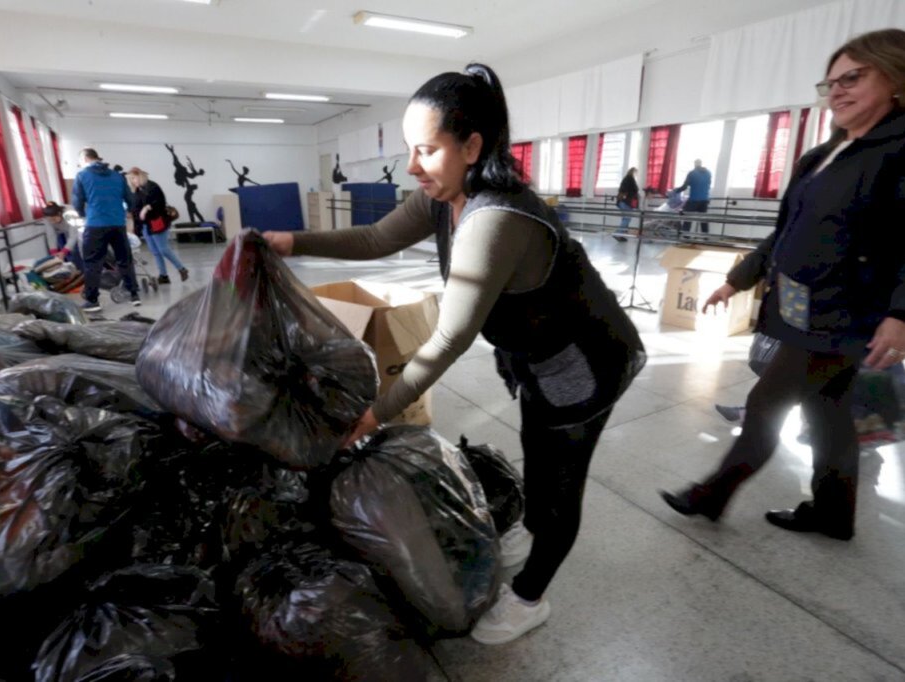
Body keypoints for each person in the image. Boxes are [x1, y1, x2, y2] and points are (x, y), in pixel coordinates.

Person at [262, 63, 646, 645]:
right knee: (536, 448)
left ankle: (530, 596)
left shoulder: (496, 220)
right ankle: (532, 523)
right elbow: (375, 239)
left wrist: (377, 412)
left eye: (426, 151)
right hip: (531, 353)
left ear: (472, 146)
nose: (413, 167)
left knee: (562, 475)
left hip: (581, 361)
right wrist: (292, 242)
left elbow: (448, 338)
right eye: (408, 152)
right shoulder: (447, 195)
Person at [660, 29, 905, 541]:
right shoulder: (823, 155)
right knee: (830, 415)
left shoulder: (904, 149)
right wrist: (739, 278)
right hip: (801, 304)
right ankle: (834, 514)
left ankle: (712, 494)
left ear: (896, 77)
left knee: (765, 405)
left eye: (853, 78)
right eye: (831, 82)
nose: (837, 90)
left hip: (846, 315)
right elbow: (787, 230)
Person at [71, 147, 141, 312]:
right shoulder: (117, 176)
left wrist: (83, 214)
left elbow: (77, 201)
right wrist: (125, 211)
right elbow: (130, 199)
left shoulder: (82, 176)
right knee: (125, 260)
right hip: (118, 224)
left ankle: (93, 301)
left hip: (95, 224)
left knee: (93, 263)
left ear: (84, 159)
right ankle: (134, 295)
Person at [126, 167, 189, 284]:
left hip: (157, 222)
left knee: (163, 249)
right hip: (146, 225)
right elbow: (136, 209)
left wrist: (147, 208)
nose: (133, 181)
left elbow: (159, 204)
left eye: (134, 178)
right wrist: (133, 218)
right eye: (131, 179)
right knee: (155, 251)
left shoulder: (153, 187)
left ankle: (182, 269)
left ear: (140, 175)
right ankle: (163, 276)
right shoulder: (138, 190)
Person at [41, 200, 84, 272]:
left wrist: (64, 251)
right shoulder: (47, 218)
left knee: (78, 251)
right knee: (63, 253)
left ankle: (83, 272)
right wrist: (53, 253)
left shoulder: (70, 214)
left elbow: (73, 235)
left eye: (54, 219)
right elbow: (51, 235)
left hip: (78, 230)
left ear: (59, 213)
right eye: (50, 220)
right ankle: (73, 271)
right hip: (62, 231)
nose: (52, 222)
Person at [674, 159, 712, 233]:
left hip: (694, 200)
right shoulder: (708, 173)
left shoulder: (692, 173)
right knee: (703, 220)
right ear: (701, 164)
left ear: (695, 164)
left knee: (688, 218)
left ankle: (685, 237)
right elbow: (708, 184)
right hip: (705, 200)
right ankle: (706, 237)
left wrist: (675, 191)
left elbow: (684, 187)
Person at [613, 167, 640, 242]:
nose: (637, 174)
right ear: (633, 172)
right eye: (636, 173)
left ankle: (621, 235)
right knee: (627, 218)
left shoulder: (627, 179)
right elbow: (630, 191)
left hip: (623, 202)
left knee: (625, 218)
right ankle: (618, 234)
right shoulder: (630, 179)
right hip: (626, 202)